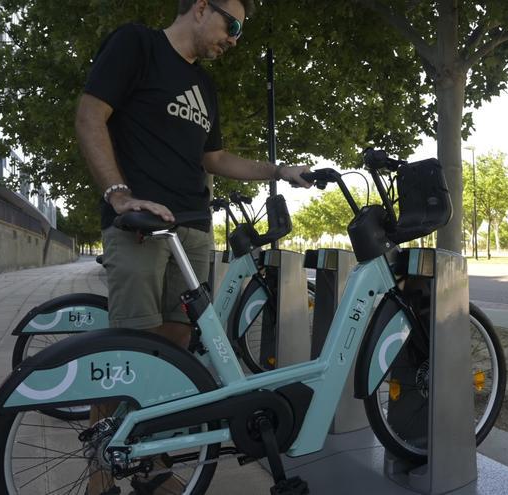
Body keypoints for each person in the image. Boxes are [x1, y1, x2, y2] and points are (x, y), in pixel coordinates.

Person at [74, 1, 309, 493]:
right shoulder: (136, 43)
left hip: (194, 230)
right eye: (232, 25)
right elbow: (91, 115)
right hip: (141, 225)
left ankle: (153, 468)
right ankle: (99, 468)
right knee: (129, 353)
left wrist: (278, 170)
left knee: (173, 353)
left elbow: (216, 157)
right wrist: (118, 194)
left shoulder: (204, 85)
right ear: (202, 8)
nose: (234, 38)